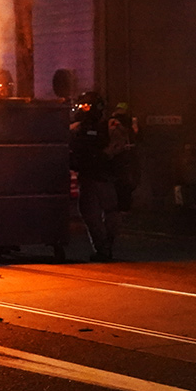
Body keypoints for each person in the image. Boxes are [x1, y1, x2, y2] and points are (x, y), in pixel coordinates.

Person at [70, 90, 122, 262]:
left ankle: (106, 246)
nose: (82, 109)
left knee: (108, 212)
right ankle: (103, 248)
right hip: (88, 176)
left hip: (104, 176)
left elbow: (119, 146)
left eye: (86, 106)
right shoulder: (78, 127)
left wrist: (103, 157)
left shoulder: (110, 126)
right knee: (91, 214)